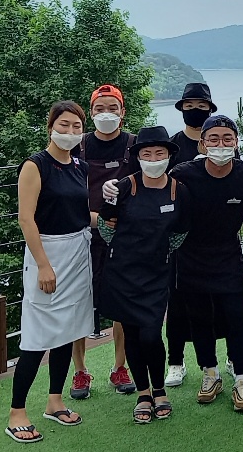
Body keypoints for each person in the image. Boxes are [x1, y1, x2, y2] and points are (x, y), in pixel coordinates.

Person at [7, 101, 93, 443]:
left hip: (78, 254)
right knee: (36, 335)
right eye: (64, 125)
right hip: (47, 254)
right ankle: (17, 412)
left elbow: (81, 213)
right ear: (51, 127)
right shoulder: (35, 165)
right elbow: (26, 219)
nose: (70, 131)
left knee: (67, 330)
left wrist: (114, 217)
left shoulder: (80, 166)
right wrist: (43, 264)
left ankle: (54, 400)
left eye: (76, 126)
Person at [165, 115, 243, 412]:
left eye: (227, 138)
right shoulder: (183, 173)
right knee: (199, 319)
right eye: (214, 139)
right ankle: (210, 373)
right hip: (190, 257)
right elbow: (155, 192)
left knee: (238, 318)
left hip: (228, 255)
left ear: (236, 142)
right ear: (202, 144)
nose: (221, 144)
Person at [97, 126, 192, 425]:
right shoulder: (123, 187)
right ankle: (143, 393)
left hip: (156, 274)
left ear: (169, 156)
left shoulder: (179, 190)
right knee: (132, 336)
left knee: (151, 334)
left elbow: (180, 233)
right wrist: (125, 252)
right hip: (122, 275)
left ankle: (160, 390)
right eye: (146, 154)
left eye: (159, 153)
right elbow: (105, 226)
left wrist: (157, 252)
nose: (153, 159)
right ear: (137, 157)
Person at [69, 84, 135, 401]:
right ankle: (80, 371)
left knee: (121, 305)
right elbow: (64, 194)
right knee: (79, 303)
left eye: (112, 108)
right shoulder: (77, 147)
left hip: (123, 238)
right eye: (99, 109)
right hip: (81, 236)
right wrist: (94, 218)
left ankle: (120, 367)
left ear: (122, 112)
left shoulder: (135, 146)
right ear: (91, 112)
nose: (106, 114)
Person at [162, 81, 217, 388]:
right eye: (190, 106)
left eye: (201, 106)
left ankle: (225, 359)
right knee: (177, 301)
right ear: (181, 108)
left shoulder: (220, 144)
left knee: (219, 301)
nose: (195, 110)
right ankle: (175, 361)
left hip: (215, 233)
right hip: (179, 236)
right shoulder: (172, 146)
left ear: (210, 109)